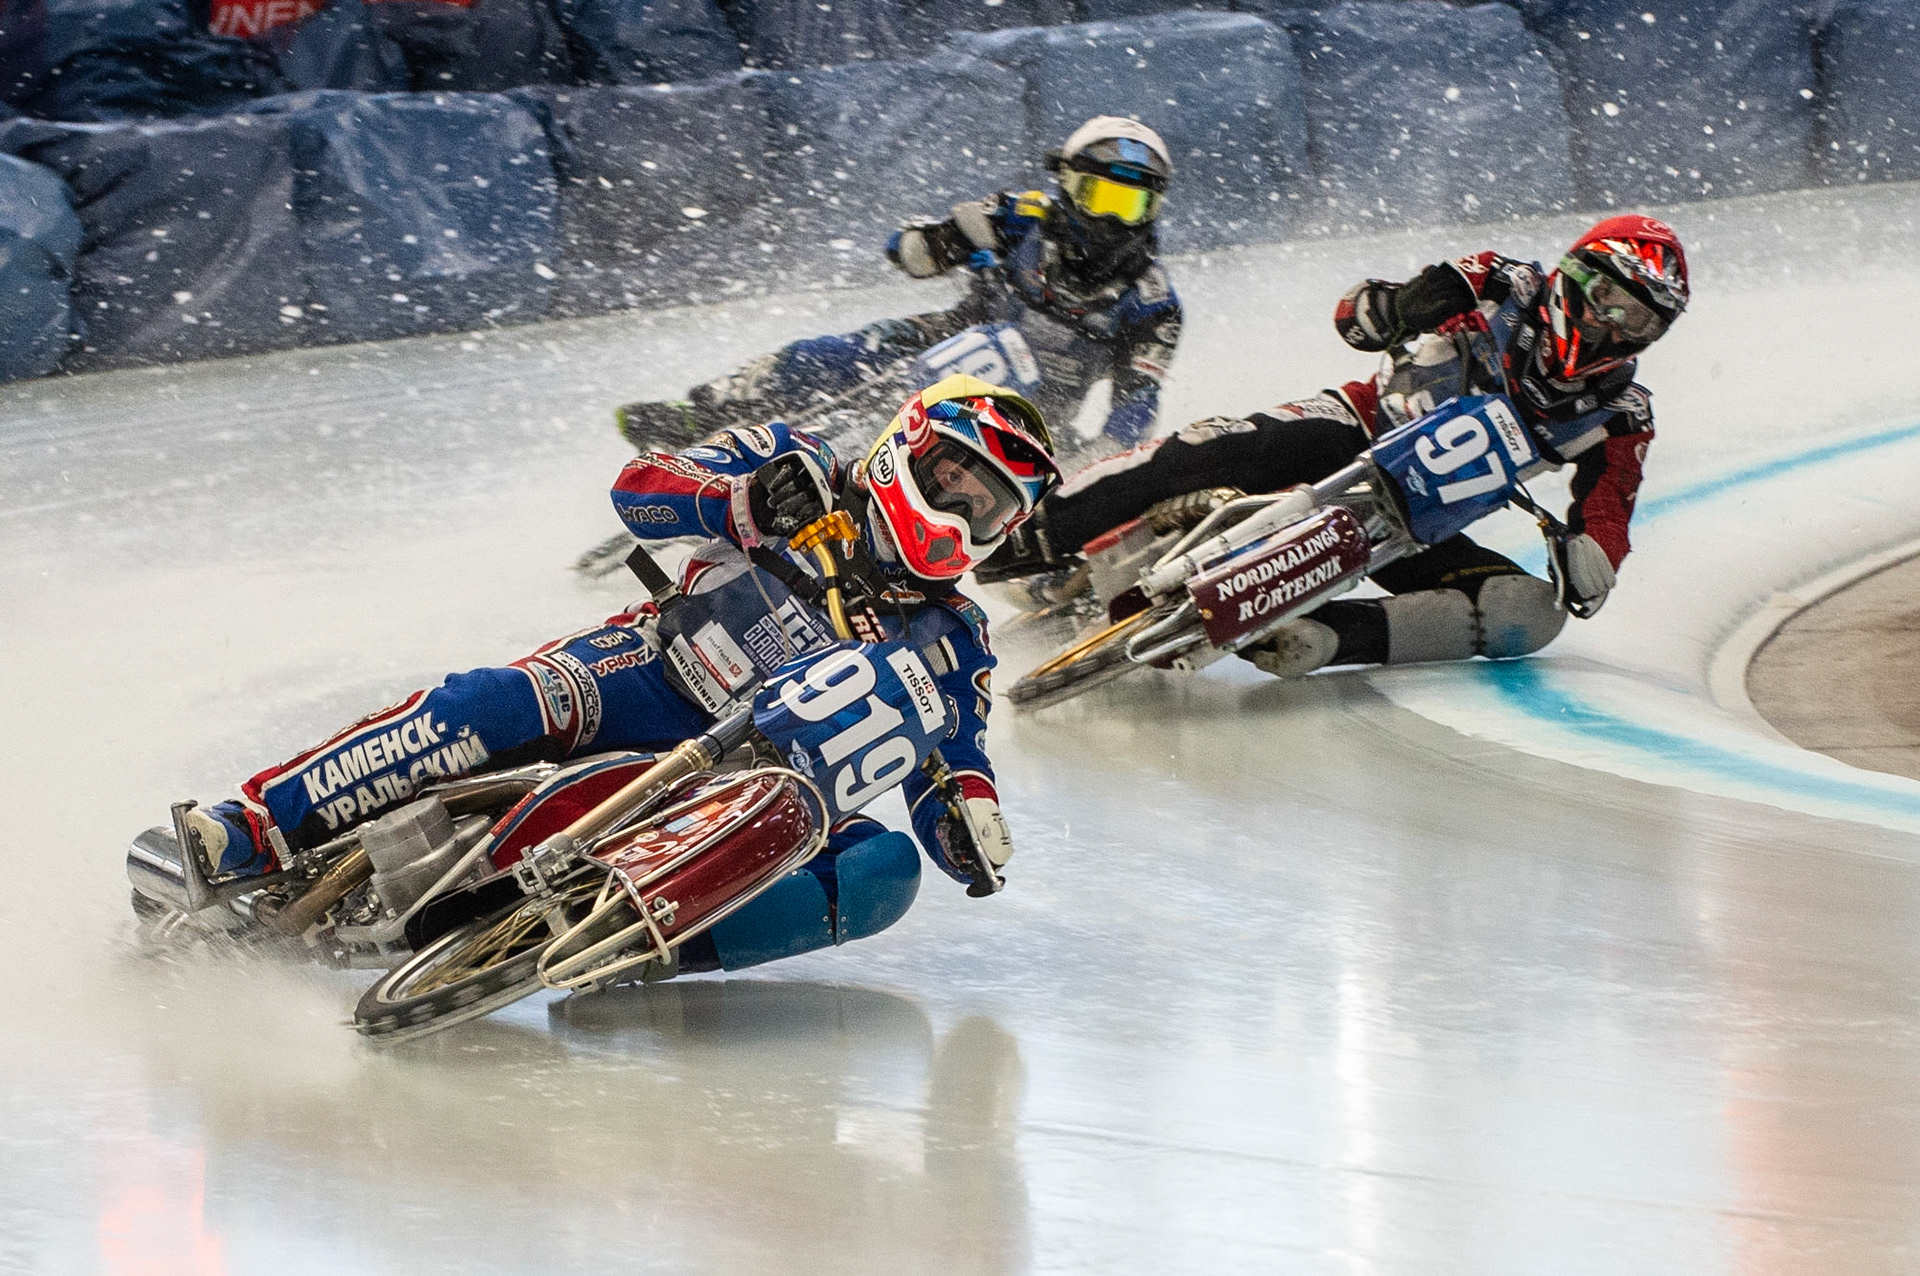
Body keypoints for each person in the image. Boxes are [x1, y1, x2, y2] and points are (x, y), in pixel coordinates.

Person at [168, 376, 1060, 973]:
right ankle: (250, 829)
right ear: (909, 447)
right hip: (655, 672)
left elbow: (953, 761)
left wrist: (964, 829)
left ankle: (628, 951)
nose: (962, 512)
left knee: (881, 871)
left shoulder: (957, 636)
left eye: (988, 508)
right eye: (956, 479)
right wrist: (738, 501)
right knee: (490, 704)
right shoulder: (801, 464)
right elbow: (641, 485)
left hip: (756, 784)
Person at [983, 215, 1690, 677]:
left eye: (1640, 323)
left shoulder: (1621, 415)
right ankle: (1026, 534)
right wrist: (1402, 306)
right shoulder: (1507, 281)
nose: (1615, 327)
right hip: (1354, 427)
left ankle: (1326, 635)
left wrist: (1589, 563)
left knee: (1528, 614)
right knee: (1206, 448)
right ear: (1576, 279)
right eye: (1611, 301)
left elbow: (1608, 522)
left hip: (1421, 524)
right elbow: (1357, 316)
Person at [616, 116, 1183, 464]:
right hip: (948, 337)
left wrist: (1093, 461)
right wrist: (947, 238)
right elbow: (907, 252)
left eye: (1132, 204)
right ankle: (700, 415)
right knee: (823, 354)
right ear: (1066, 184)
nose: (1114, 220)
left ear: (1154, 209)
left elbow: (1136, 408)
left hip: (1034, 416)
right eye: (1100, 197)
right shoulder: (1021, 215)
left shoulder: (1155, 304)